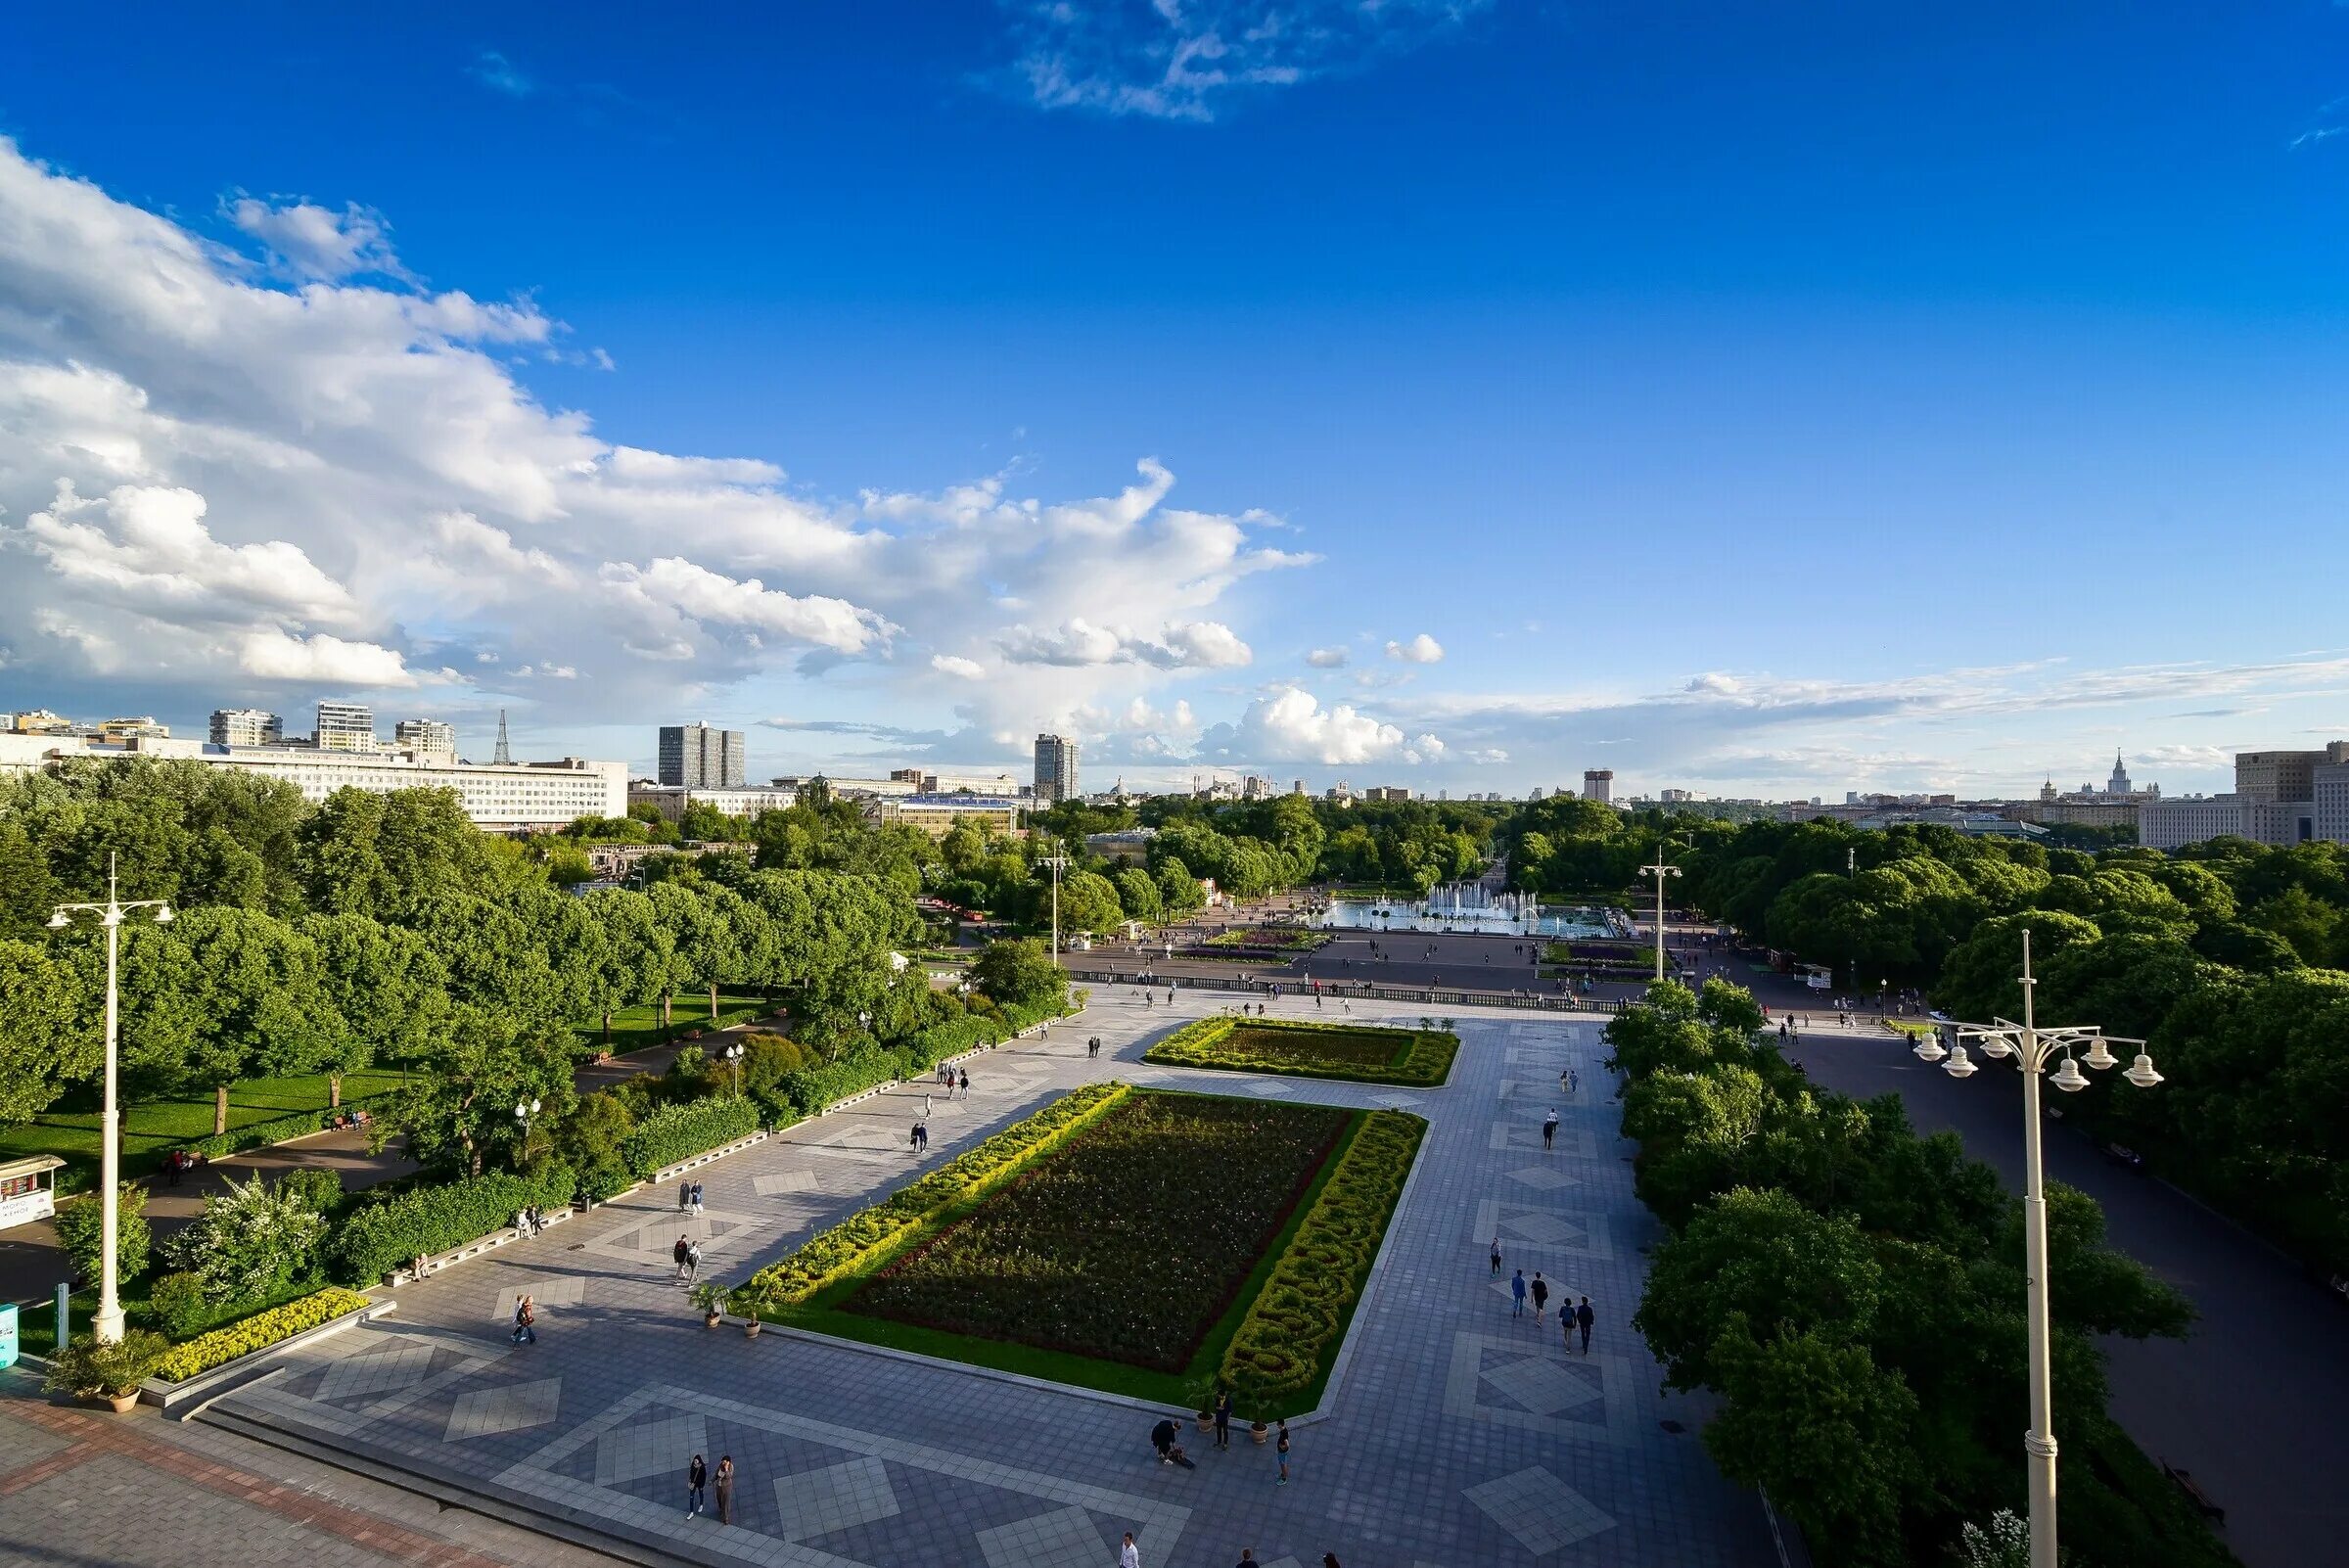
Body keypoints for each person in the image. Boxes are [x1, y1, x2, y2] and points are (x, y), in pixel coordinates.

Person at [714, 1455, 734, 1525]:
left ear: (728, 1462)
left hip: (726, 1487)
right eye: (722, 1462)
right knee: (719, 1499)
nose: (723, 1463)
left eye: (724, 1462)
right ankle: (721, 1510)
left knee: (726, 1503)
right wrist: (712, 1480)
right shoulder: (720, 1466)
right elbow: (716, 1474)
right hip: (719, 1486)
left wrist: (726, 1469)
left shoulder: (730, 1467)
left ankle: (726, 1518)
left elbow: (729, 1476)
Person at [686, 1453, 708, 1518]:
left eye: (696, 1461)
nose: (695, 1462)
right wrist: (690, 1480)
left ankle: (701, 1504)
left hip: (699, 1483)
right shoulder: (693, 1465)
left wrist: (702, 1486)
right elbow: (691, 1473)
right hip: (693, 1483)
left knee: (700, 1493)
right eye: (694, 1461)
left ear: (699, 1461)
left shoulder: (702, 1468)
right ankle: (691, 1512)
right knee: (691, 1497)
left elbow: (704, 1477)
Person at [1214, 1387, 1233, 1451]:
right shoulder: (1217, 1399)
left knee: (1225, 1431)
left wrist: (1227, 1418)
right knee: (1218, 1430)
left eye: (1219, 1395)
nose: (1218, 1396)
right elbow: (1216, 1406)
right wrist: (1219, 1408)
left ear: (1223, 1395)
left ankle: (1225, 1443)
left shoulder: (1228, 1401)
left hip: (1224, 1418)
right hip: (1218, 1417)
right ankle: (1219, 1441)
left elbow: (1230, 1411)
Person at [1274, 1419, 1290, 1486]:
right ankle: (1283, 1474)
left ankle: (1284, 1479)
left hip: (1282, 1452)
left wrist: (1283, 1447)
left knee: (1283, 1465)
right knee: (1282, 1463)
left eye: (1278, 1424)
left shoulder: (1283, 1433)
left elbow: (1287, 1444)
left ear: (1281, 1424)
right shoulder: (1283, 1430)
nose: (1277, 1425)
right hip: (1282, 1451)